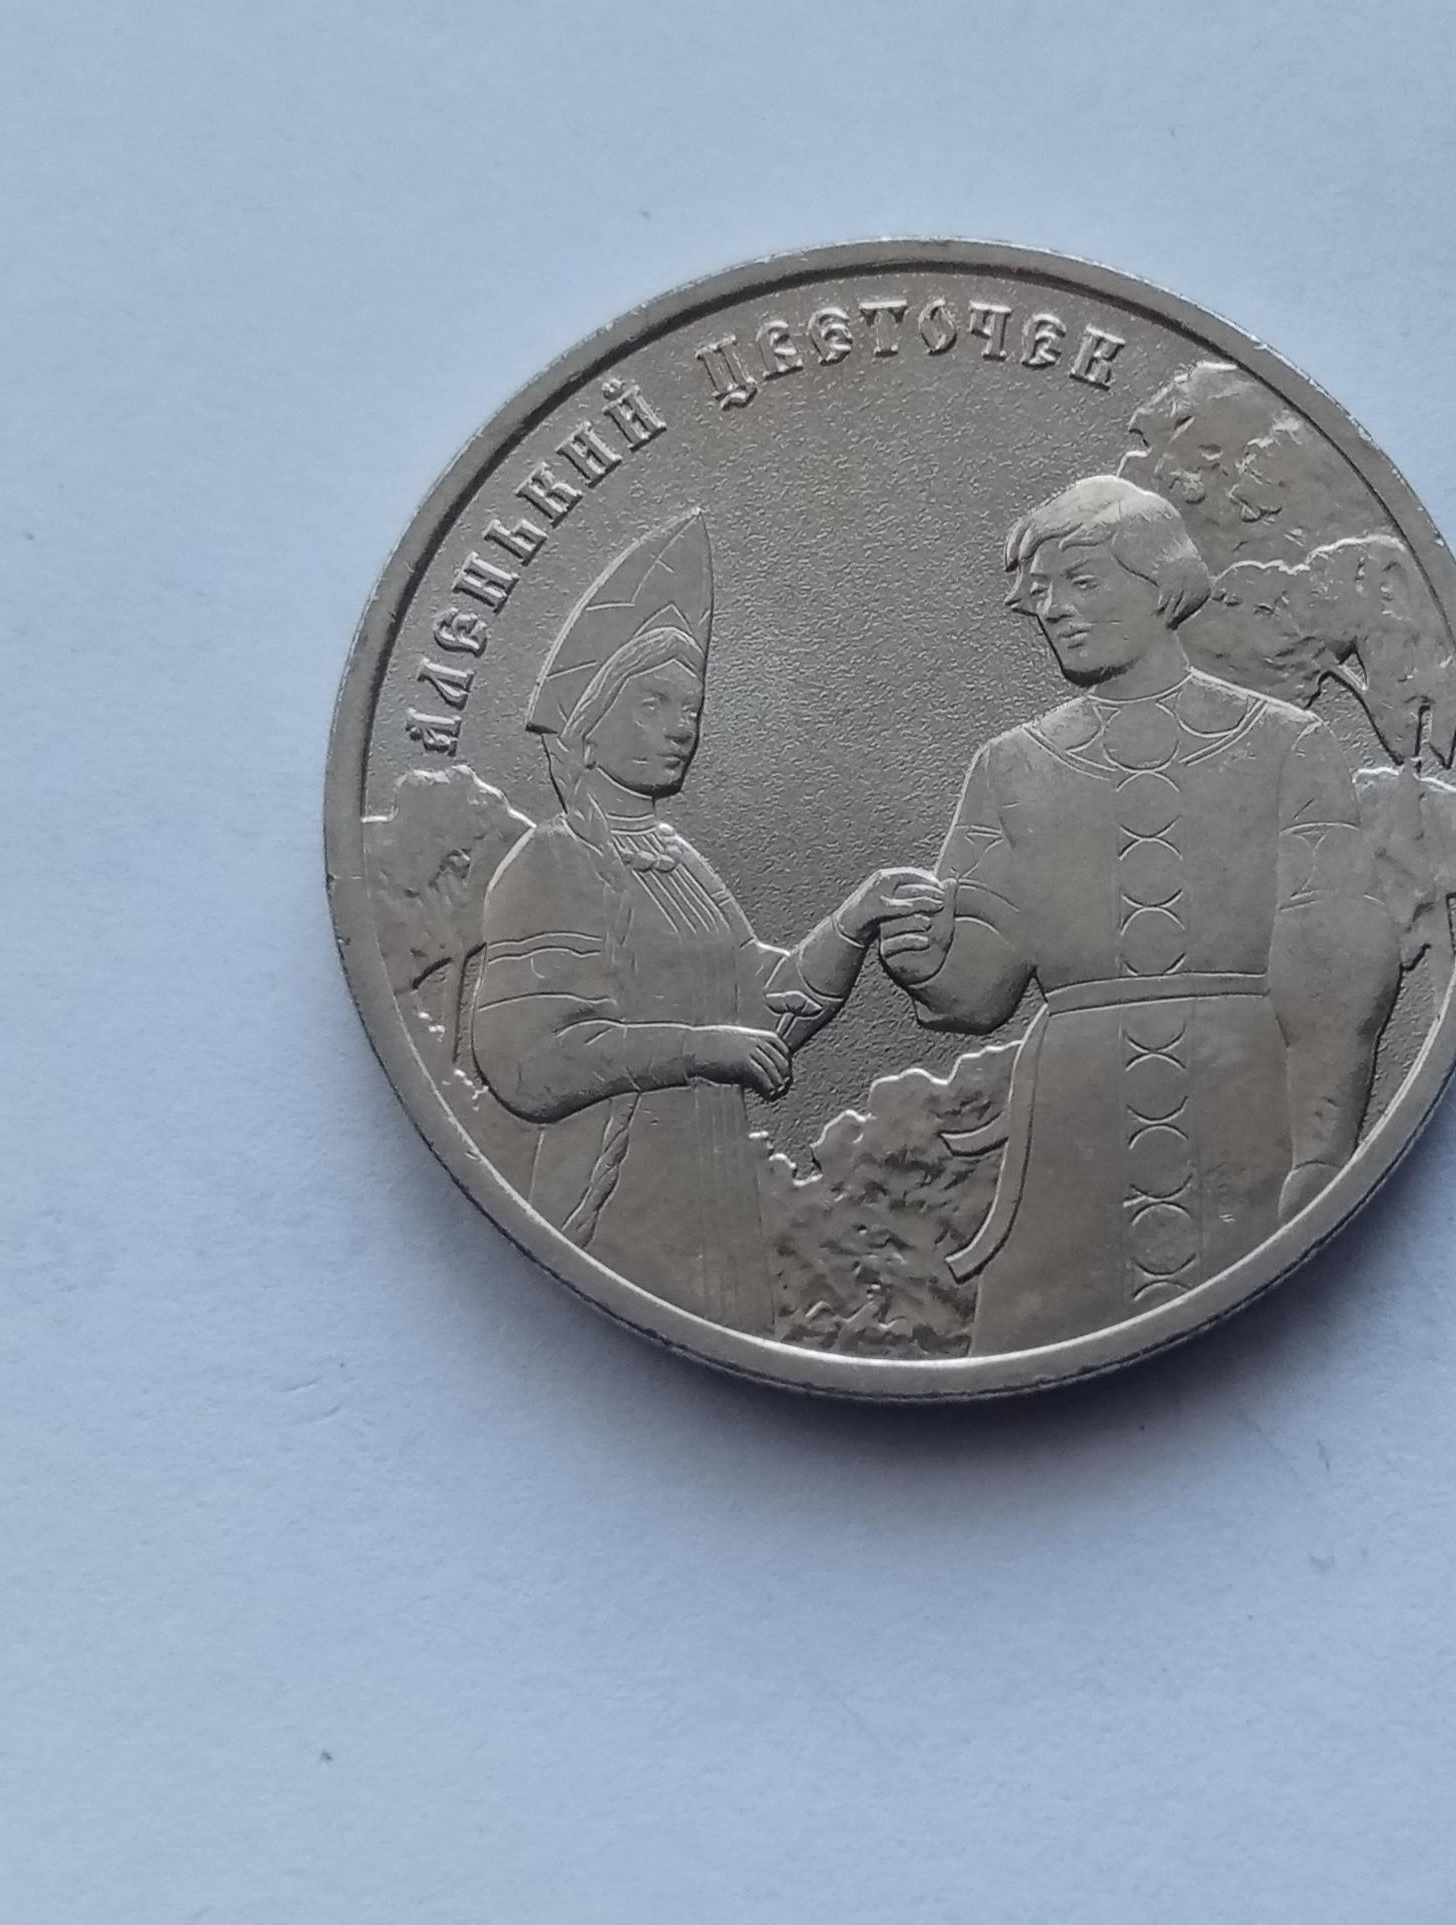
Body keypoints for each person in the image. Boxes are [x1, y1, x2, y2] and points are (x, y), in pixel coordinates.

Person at [877, 475, 1400, 1357]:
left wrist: (1320, 1151)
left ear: (1160, 583)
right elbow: (982, 983)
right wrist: (927, 958)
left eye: (1081, 581)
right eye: (1041, 593)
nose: (1055, 610)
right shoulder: (1010, 765)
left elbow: (1334, 963)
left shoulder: (1283, 744)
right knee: (1038, 1361)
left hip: (1242, 1102)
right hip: (1072, 1133)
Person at [471, 510, 940, 1334]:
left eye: (690, 707)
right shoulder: (552, 861)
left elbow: (765, 1011)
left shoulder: (680, 861)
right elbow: (528, 1063)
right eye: (653, 702)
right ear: (587, 721)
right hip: (612, 1204)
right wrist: (696, 1047)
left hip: (714, 1195)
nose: (682, 726)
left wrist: (855, 917)